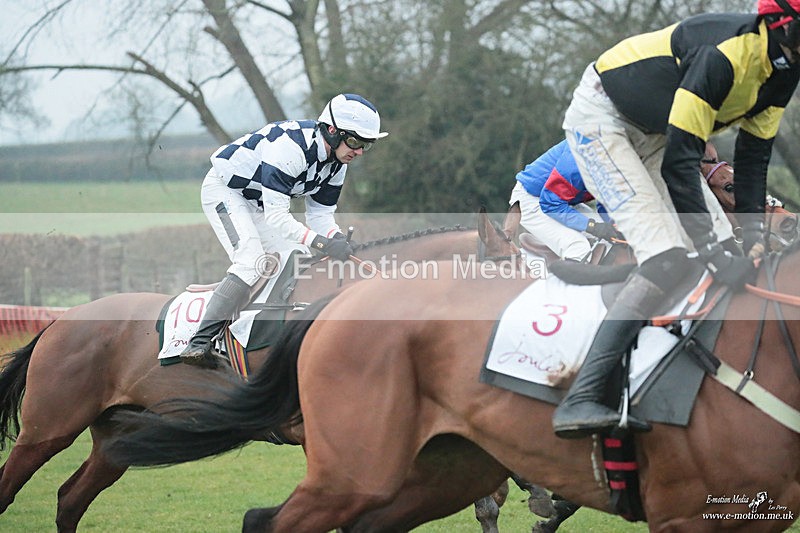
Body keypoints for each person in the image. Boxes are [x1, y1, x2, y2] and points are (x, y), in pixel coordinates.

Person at [552, 2, 800, 438]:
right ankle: (581, 397)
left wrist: (753, 236)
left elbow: (754, 156)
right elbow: (682, 163)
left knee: (728, 250)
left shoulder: (784, 68)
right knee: (669, 258)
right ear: (786, 25)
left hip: (658, 132)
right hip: (604, 120)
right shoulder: (725, 56)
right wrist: (712, 251)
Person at [180, 93, 388, 367]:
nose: (358, 151)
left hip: (259, 202)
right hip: (225, 191)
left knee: (297, 254)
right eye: (354, 141)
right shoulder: (290, 149)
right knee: (251, 262)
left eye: (366, 145)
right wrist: (324, 244)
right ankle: (200, 341)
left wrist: (335, 237)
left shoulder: (338, 164)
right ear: (332, 130)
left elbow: (321, 216)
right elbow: (279, 218)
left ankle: (258, 328)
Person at [509, 139, 621, 262]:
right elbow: (550, 203)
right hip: (531, 201)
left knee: (611, 240)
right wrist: (592, 226)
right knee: (577, 247)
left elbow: (605, 202)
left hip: (561, 201)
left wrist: (616, 226)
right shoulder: (579, 157)